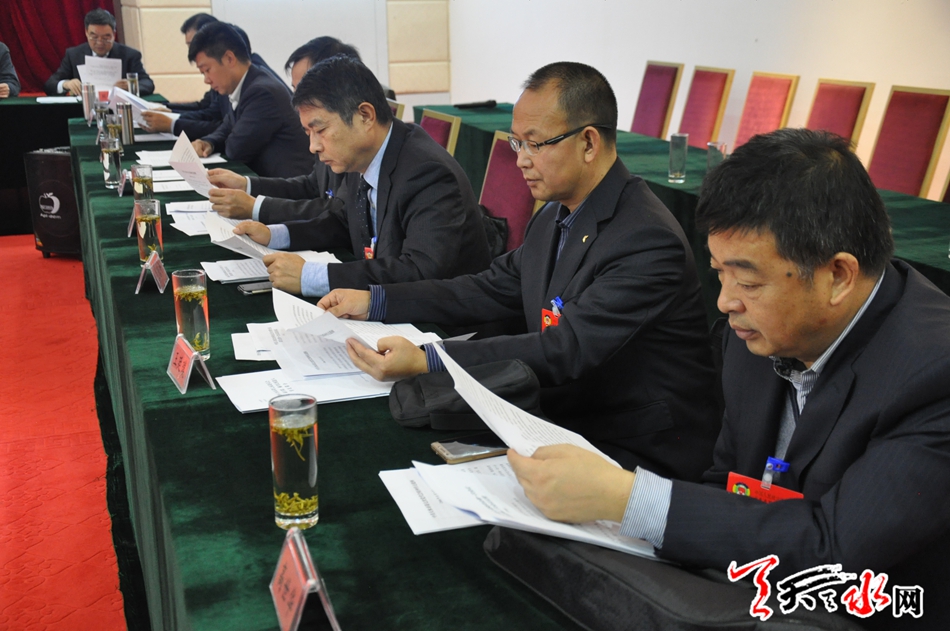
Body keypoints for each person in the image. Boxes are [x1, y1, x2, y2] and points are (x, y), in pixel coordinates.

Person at [507, 129, 950, 629]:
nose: (725, 301)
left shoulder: (934, 373)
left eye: (749, 281)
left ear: (838, 276)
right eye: (719, 272)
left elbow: (837, 550)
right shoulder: (756, 334)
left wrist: (627, 499)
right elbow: (729, 483)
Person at [317, 62, 721, 477]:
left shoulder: (646, 238)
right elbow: (487, 288)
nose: (521, 160)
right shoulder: (554, 216)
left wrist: (429, 359)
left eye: (535, 144)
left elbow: (564, 350)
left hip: (638, 450)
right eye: (516, 144)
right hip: (568, 418)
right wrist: (377, 301)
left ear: (588, 143)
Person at [234, 55, 492, 297]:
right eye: (307, 133)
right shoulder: (363, 155)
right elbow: (345, 223)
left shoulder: (427, 172)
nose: (313, 146)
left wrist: (312, 276)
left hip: (444, 321)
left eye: (320, 130)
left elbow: (419, 270)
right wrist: (275, 235)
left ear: (365, 116)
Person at [205, 36, 362, 222]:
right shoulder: (320, 131)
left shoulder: (353, 137)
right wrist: (246, 185)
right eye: (295, 90)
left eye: (305, 90)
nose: (296, 102)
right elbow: (312, 186)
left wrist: (257, 208)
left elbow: (338, 211)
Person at [186, 22, 311, 178]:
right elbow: (227, 126)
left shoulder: (262, 92)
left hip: (288, 186)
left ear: (229, 58)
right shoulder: (246, 83)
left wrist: (221, 140)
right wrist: (209, 142)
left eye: (207, 70)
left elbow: (236, 150)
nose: (206, 80)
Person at [141, 17, 287, 138]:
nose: (206, 79)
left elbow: (232, 136)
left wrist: (173, 124)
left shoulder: (254, 86)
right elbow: (210, 111)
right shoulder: (229, 79)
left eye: (194, 43)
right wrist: (171, 112)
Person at [44, 9, 154, 96]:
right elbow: (50, 84)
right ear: (86, 33)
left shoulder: (129, 55)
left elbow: (148, 83)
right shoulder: (74, 55)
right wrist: (66, 84)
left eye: (106, 37)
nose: (100, 43)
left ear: (114, 34)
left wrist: (131, 86)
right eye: (94, 37)